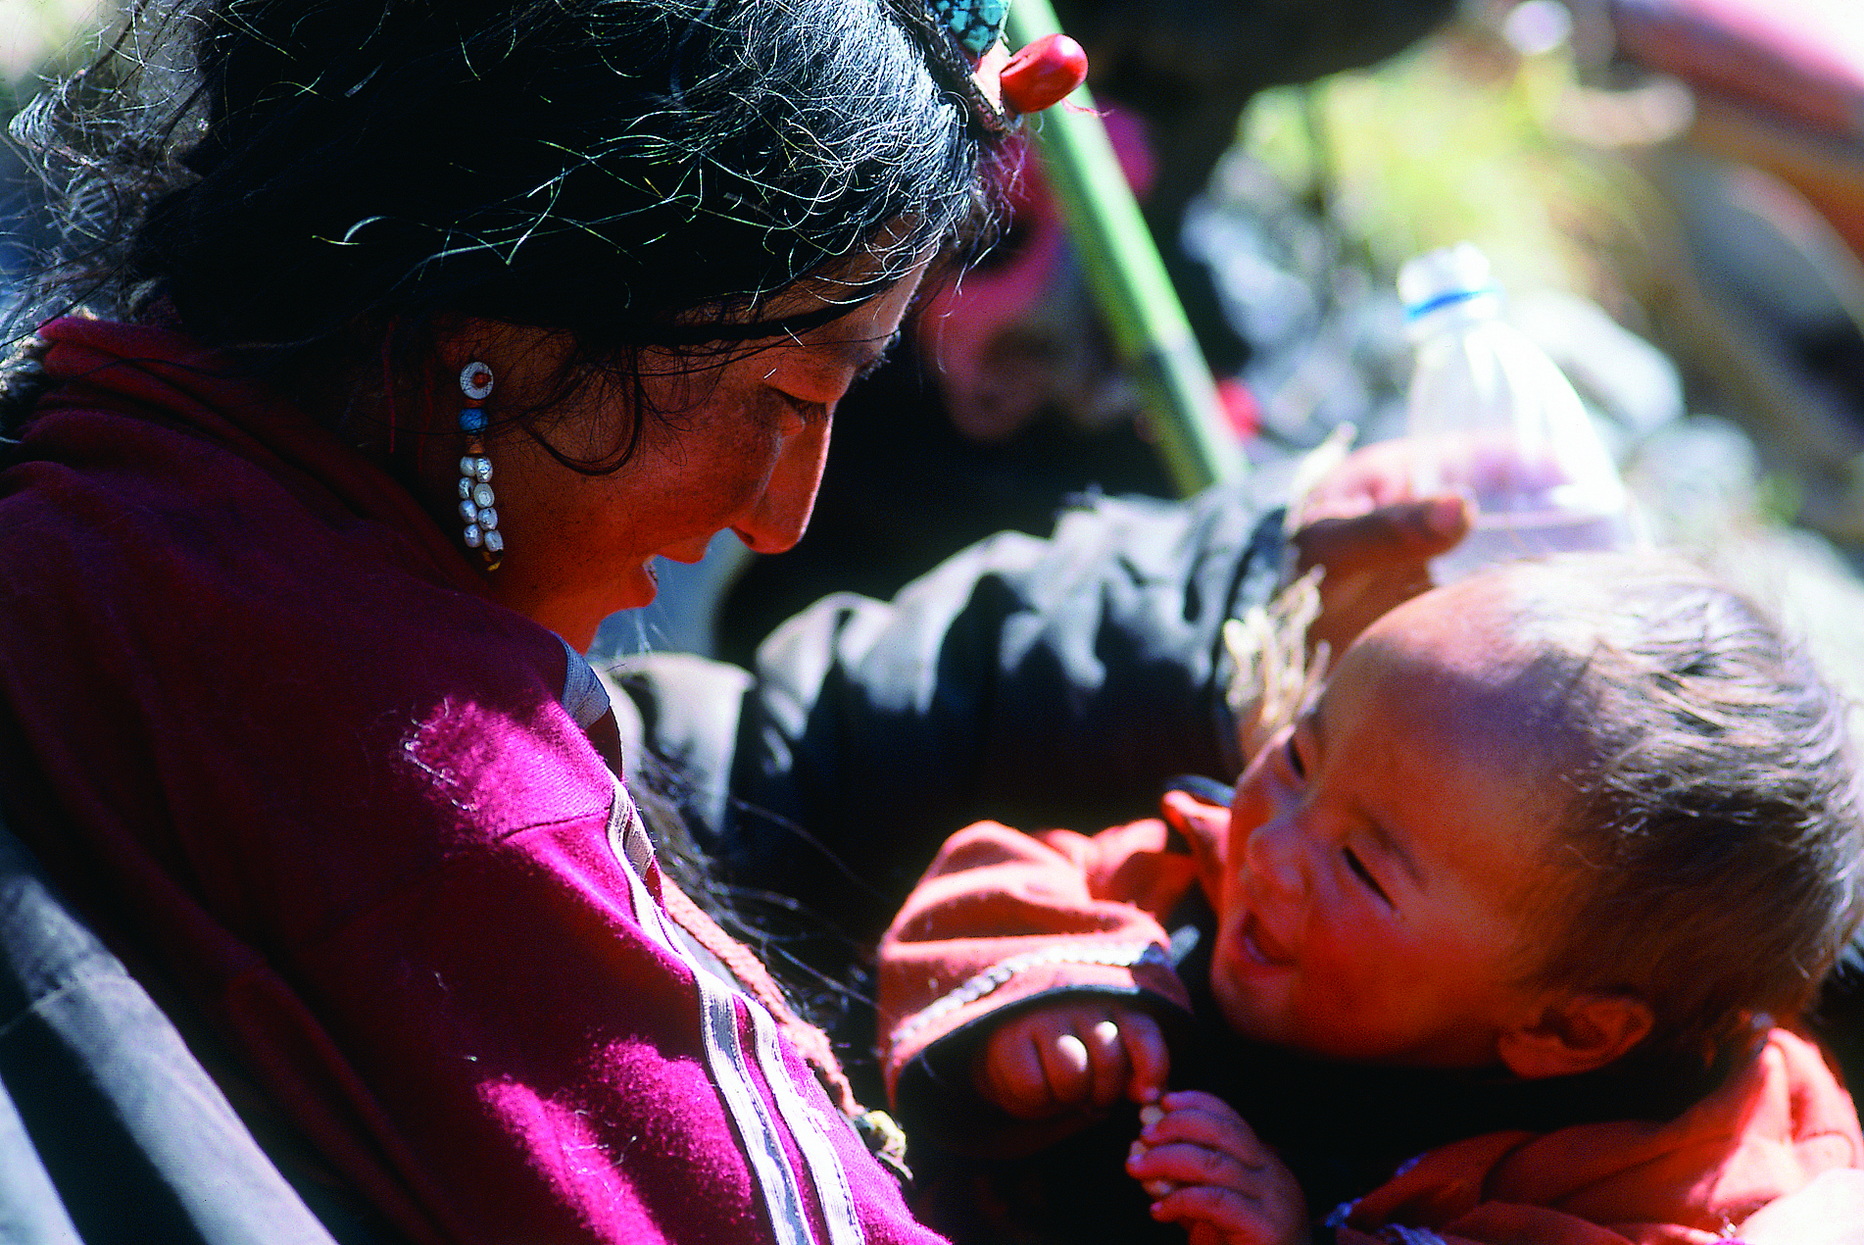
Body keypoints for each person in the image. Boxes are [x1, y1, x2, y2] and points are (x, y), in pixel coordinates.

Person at [0, 0, 1487, 1242]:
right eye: (793, 395)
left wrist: (1231, 582)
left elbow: (717, 763)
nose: (783, 515)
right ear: (503, 335)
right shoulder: (429, 784)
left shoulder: (131, 480)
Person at [874, 554, 1864, 1245]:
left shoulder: (1667, 1179)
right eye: (1303, 753)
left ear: (1569, 1028)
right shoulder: (1215, 868)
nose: (1272, 847)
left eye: (1361, 868)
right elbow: (1010, 881)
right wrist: (1047, 999)